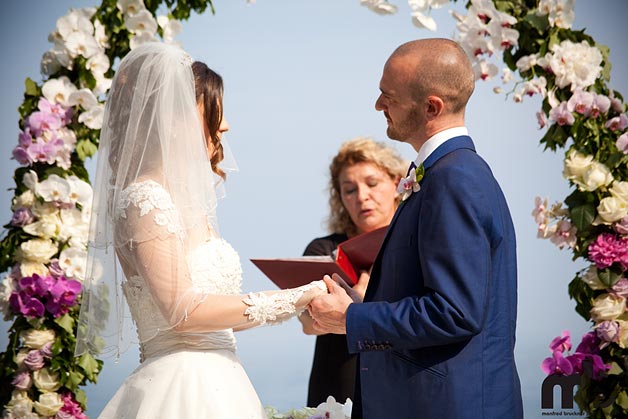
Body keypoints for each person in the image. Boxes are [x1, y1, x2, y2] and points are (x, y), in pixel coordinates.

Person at [75, 42, 326, 419]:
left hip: (226, 382)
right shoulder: (145, 199)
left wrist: (300, 308)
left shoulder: (190, 206)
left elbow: (214, 321)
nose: (225, 125)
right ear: (172, 117)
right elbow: (184, 312)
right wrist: (294, 298)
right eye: (212, 111)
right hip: (180, 387)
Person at [308, 38, 524, 419]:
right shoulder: (447, 173)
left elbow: (456, 312)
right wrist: (360, 304)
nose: (378, 105)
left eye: (387, 95)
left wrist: (351, 319)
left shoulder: (454, 179)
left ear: (431, 106)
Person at [298, 137, 406, 407]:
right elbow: (309, 324)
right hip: (338, 394)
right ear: (340, 198)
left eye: (372, 184)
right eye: (349, 190)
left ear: (396, 183)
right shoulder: (324, 250)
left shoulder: (417, 242)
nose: (361, 196)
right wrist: (358, 300)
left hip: (404, 388)